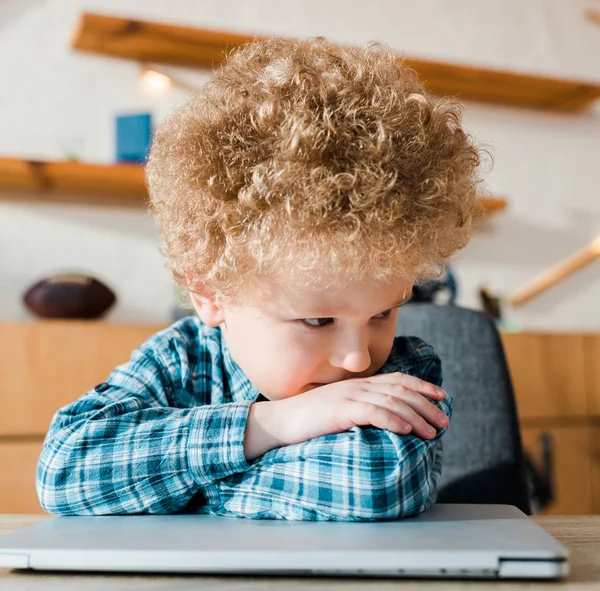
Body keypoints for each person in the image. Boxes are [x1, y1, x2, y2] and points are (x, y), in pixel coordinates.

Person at [36, 37, 483, 520]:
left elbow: (376, 486)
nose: (358, 358)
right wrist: (273, 423)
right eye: (317, 320)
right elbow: (64, 468)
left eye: (382, 312)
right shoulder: (179, 361)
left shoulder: (403, 370)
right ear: (210, 293)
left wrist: (190, 490)